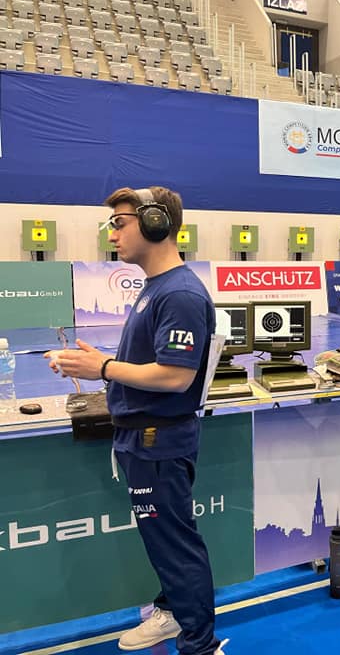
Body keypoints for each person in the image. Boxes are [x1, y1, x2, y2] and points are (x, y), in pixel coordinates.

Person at [46, 187, 225, 655]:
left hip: (158, 442)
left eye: (120, 223)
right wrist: (96, 363)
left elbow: (176, 376)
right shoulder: (157, 287)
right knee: (166, 541)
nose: (113, 235)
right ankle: (172, 612)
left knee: (175, 545)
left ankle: (201, 645)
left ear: (155, 223)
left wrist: (103, 368)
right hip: (145, 439)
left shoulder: (180, 293)